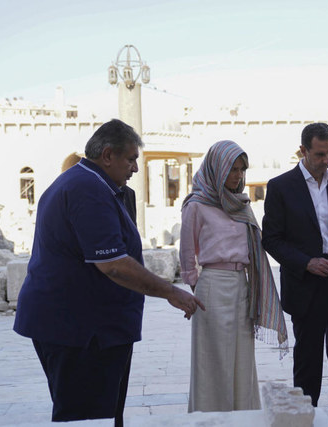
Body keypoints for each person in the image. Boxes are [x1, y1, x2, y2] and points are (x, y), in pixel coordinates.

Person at [13, 119, 204, 425]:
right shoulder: (86, 189)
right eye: (130, 160)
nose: (135, 169)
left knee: (102, 413)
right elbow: (112, 263)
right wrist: (170, 291)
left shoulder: (93, 184)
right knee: (88, 417)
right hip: (79, 331)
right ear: (107, 155)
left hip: (88, 328)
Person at [179, 140, 287, 413]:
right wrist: (196, 287)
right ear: (217, 168)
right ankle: (210, 417)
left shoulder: (241, 205)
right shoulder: (197, 204)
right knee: (212, 358)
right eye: (232, 169)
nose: (238, 175)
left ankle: (243, 416)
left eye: (241, 169)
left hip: (242, 286)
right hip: (212, 286)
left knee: (242, 357)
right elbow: (187, 253)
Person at [262, 122, 328, 406]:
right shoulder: (280, 187)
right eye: (319, 154)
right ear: (303, 150)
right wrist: (306, 263)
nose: (327, 160)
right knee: (307, 362)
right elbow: (272, 239)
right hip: (306, 284)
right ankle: (305, 417)